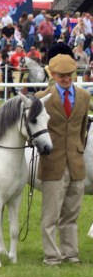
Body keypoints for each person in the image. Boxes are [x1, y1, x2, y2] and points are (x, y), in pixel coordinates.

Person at [36, 54, 90, 266]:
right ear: (53, 75)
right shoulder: (43, 97)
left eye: (69, 75)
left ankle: (71, 254)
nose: (66, 79)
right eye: (61, 76)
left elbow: (83, 127)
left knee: (72, 213)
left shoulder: (84, 97)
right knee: (50, 214)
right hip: (52, 162)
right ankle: (52, 256)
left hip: (76, 163)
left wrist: (78, 149)